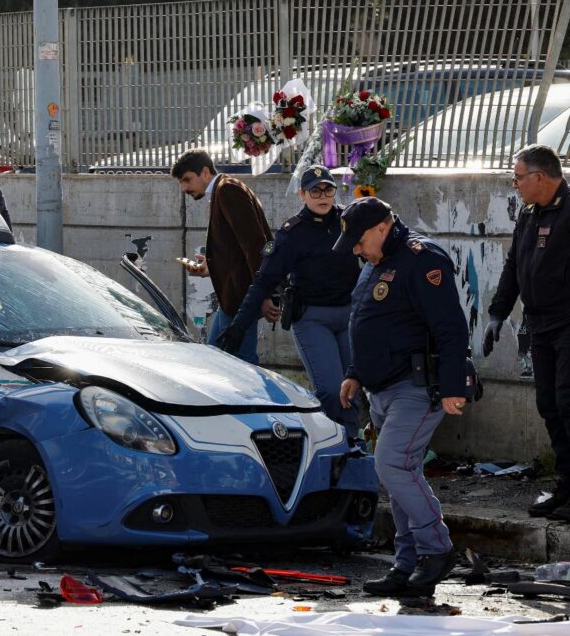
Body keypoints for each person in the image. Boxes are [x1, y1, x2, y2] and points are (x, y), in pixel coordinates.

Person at [334, 197, 468, 597]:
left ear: (380, 228)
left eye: (359, 242)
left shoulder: (421, 258)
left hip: (417, 386)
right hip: (382, 388)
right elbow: (368, 321)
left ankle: (437, 550)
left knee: (391, 464)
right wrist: (356, 373)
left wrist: (452, 387)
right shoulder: (378, 262)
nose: (357, 251)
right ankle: (407, 566)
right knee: (400, 475)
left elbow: (451, 327)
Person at [220, 166, 362, 438]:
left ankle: (352, 447)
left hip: (348, 316)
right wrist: (239, 325)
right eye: (315, 190)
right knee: (331, 390)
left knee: (352, 389)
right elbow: (263, 280)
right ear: (302, 194)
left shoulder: (349, 220)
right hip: (312, 319)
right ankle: (331, 446)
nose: (322, 196)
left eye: (328, 189)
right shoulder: (292, 233)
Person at [484, 144, 570, 520]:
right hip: (540, 325)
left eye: (518, 176)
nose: (515, 183)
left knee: (569, 404)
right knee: (548, 405)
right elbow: (514, 264)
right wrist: (497, 314)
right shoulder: (530, 213)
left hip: (568, 323)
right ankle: (568, 484)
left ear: (539, 177)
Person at [171, 148, 274, 364]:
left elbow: (255, 245)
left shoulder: (227, 190)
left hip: (241, 299)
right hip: (233, 299)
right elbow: (236, 250)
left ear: (205, 173)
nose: (184, 188)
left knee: (240, 368)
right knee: (214, 360)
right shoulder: (223, 189)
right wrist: (209, 267)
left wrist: (264, 296)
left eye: (187, 180)